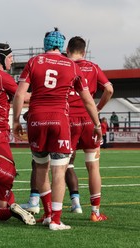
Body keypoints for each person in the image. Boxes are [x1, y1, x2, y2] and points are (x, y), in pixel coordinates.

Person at [13, 28, 102, 230]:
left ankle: (47, 213)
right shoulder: (71, 65)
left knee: (41, 168)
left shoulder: (34, 62)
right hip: (60, 119)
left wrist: (16, 121)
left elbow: (19, 95)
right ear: (62, 46)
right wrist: (97, 125)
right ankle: (55, 220)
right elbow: (88, 100)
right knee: (59, 170)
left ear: (45, 44)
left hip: (36, 118)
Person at [63, 36, 112, 221]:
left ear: (67, 50)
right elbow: (109, 89)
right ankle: (95, 212)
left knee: (61, 167)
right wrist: (97, 109)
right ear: (83, 52)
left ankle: (53, 213)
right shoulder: (92, 67)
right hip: (89, 121)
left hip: (67, 121)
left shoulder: (64, 66)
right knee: (93, 168)